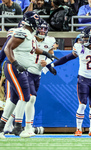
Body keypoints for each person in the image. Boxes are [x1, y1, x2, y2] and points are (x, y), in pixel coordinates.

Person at [47, 26, 91, 136]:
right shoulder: (79, 47)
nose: (84, 40)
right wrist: (53, 64)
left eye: (86, 38)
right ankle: (78, 129)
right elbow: (67, 57)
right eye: (84, 38)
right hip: (83, 79)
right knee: (82, 104)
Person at [0, 11, 57, 139]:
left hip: (20, 69)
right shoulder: (23, 31)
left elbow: (32, 48)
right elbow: (7, 48)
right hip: (14, 68)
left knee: (14, 99)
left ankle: (1, 128)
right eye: (36, 20)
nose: (38, 23)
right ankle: (18, 127)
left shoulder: (29, 33)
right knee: (25, 96)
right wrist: (15, 64)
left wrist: (46, 53)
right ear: (30, 21)